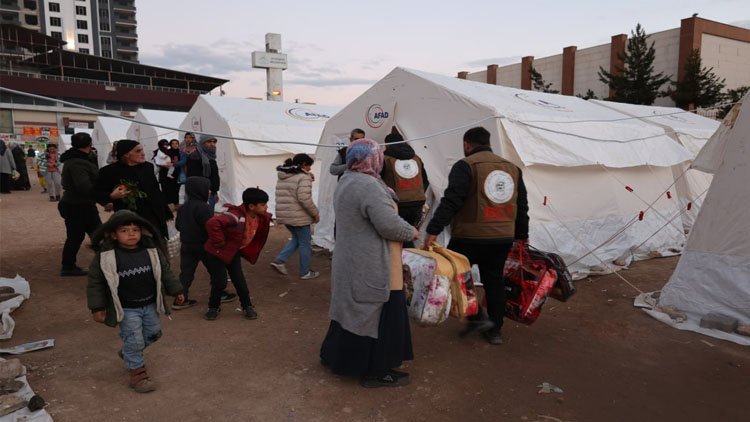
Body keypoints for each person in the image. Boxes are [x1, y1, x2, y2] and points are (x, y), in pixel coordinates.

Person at [320, 138, 419, 388]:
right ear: (372, 159)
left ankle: (335, 357)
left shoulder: (347, 181)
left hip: (350, 259)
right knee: (377, 313)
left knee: (350, 311)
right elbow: (388, 225)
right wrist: (412, 232)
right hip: (371, 263)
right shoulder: (369, 186)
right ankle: (376, 370)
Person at [423, 127, 529, 345]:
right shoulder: (512, 169)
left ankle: (477, 317)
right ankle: (495, 330)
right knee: (494, 280)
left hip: (468, 236)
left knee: (460, 279)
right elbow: (522, 206)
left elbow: (452, 200)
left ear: (466, 145)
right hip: (502, 237)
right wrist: (521, 235)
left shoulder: (465, 166)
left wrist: (433, 230)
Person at [86, 210, 185, 393]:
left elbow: (165, 272)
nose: (131, 234)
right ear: (113, 235)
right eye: (125, 230)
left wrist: (176, 289)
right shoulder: (106, 256)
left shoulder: (151, 251)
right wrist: (97, 307)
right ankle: (138, 376)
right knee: (135, 340)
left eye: (135, 230)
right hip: (126, 308)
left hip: (149, 304)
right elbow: (95, 282)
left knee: (155, 333)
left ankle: (128, 352)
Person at [203, 188, 271, 321]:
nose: (266, 207)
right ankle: (213, 307)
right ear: (251, 206)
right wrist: (220, 242)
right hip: (216, 253)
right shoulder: (235, 216)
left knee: (239, 280)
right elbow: (212, 223)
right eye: (263, 205)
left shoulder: (259, 217)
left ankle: (247, 306)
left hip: (232, 253)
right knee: (220, 282)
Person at [173, 176, 237, 309]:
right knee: (216, 270)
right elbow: (210, 227)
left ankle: (180, 297)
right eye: (207, 189)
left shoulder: (182, 208)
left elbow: (178, 226)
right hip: (204, 245)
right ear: (199, 190)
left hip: (186, 245)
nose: (209, 192)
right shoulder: (204, 208)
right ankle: (220, 293)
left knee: (186, 272)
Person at [94, 140, 172, 240]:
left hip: (154, 215)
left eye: (142, 150)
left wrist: (166, 212)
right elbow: (96, 192)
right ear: (126, 154)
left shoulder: (148, 167)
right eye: (138, 151)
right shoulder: (109, 171)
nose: (143, 153)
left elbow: (156, 190)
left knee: (158, 244)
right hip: (130, 218)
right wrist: (111, 197)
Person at [269, 154, 321, 280]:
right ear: (303, 164)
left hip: (285, 214)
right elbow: (304, 198)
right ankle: (305, 272)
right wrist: (315, 213)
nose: (309, 169)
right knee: (305, 243)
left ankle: (279, 261)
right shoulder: (303, 177)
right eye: (309, 166)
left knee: (297, 239)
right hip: (299, 216)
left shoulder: (284, 175)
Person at [58, 133, 102, 276]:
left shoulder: (75, 159)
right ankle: (68, 266)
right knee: (82, 236)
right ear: (89, 143)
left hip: (79, 203)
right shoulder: (78, 162)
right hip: (78, 205)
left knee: (95, 234)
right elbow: (84, 187)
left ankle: (106, 262)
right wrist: (105, 198)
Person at [380, 132, 430, 248]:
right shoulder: (416, 158)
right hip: (417, 203)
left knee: (397, 236)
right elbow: (425, 180)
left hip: (397, 204)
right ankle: (408, 261)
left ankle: (403, 263)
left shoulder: (385, 159)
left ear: (387, 145)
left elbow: (378, 181)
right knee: (409, 234)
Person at [185, 134, 220, 210]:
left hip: (211, 193)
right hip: (201, 194)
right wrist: (206, 190)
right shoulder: (195, 156)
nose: (212, 144)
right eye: (209, 142)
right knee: (202, 217)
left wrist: (215, 192)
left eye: (214, 142)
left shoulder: (211, 156)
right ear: (202, 143)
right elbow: (193, 177)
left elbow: (213, 176)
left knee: (209, 217)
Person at [152, 139, 179, 207]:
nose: (175, 145)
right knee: (166, 190)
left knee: (175, 190)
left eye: (176, 143)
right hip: (164, 174)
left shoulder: (180, 152)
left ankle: (175, 205)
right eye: (172, 143)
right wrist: (164, 165)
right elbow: (157, 160)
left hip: (175, 174)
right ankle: (167, 207)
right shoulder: (165, 151)